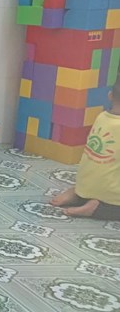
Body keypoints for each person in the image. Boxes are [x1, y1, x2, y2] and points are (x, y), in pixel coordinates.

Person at [50, 81, 120, 218]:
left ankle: (78, 194)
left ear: (110, 95)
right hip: (109, 192)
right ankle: (95, 208)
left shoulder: (102, 117)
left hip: (85, 184)